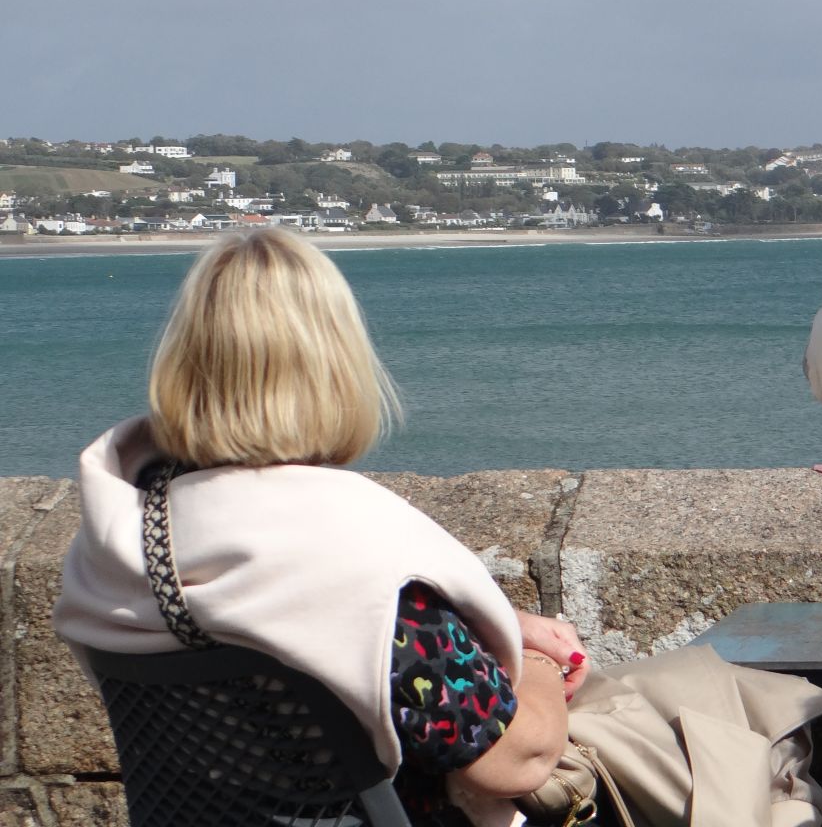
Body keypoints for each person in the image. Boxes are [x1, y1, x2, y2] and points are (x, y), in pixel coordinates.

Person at [53, 228, 586, 825]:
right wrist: (543, 665)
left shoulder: (120, 539)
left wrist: (501, 623)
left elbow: (280, 614)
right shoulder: (353, 552)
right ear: (334, 365)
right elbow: (512, 760)